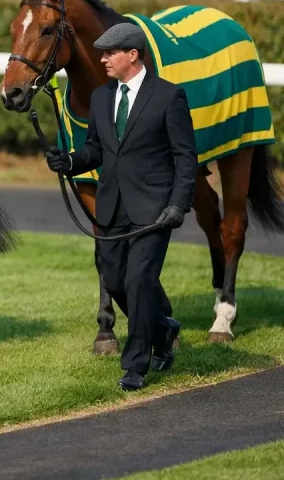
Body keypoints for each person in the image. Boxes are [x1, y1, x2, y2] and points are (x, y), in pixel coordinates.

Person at [44, 23, 198, 391]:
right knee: (114, 281)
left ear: (132, 54)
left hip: (154, 209)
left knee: (139, 281)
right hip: (112, 205)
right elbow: (97, 149)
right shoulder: (100, 97)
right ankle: (164, 327)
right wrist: (70, 160)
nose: (102, 59)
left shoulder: (168, 96)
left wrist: (178, 205)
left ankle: (136, 365)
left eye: (109, 53)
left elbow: (186, 159)